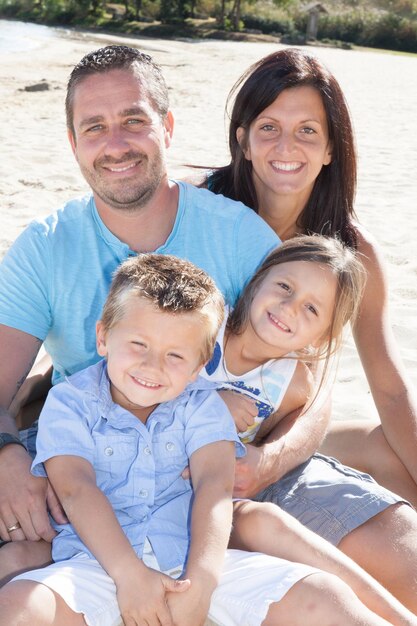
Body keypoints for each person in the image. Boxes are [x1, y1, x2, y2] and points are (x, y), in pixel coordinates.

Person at [0, 44, 279, 579]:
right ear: (73, 143)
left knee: (391, 546)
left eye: (134, 120)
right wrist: (7, 457)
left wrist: (272, 460)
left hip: (207, 473)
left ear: (167, 126)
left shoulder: (239, 235)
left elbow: (307, 376)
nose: (116, 144)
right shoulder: (46, 245)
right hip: (78, 467)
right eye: (95, 127)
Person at [0, 254, 397, 626]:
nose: (152, 365)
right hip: (98, 562)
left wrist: (203, 581)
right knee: (21, 604)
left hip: (191, 555)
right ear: (104, 337)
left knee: (322, 593)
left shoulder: (202, 406)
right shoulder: (70, 402)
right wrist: (130, 575)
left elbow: (215, 486)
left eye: (175, 356)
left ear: (198, 367)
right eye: (138, 344)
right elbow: (75, 489)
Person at [198, 48, 417, 610]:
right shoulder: (198, 215)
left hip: (279, 429)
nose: (286, 148)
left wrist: (272, 459)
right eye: (269, 127)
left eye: (307, 131)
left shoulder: (348, 249)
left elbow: (383, 386)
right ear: (242, 138)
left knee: (391, 452)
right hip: (203, 437)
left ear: (329, 148)